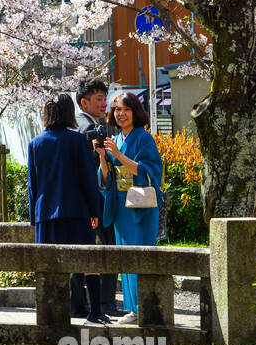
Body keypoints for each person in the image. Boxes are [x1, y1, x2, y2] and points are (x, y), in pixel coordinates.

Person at [28, 93, 109, 324]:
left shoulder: (35, 143)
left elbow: (32, 184)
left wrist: (34, 217)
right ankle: (95, 312)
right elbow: (87, 179)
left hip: (46, 213)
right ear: (69, 113)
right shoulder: (77, 140)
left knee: (49, 266)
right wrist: (95, 211)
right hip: (77, 210)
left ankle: (50, 314)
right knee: (87, 260)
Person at [96, 91, 164, 324]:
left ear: (136, 112)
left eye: (126, 109)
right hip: (121, 206)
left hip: (141, 205)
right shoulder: (114, 141)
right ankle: (133, 308)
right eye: (117, 109)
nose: (121, 114)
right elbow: (106, 180)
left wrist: (119, 156)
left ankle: (144, 307)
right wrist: (104, 159)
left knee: (140, 254)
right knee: (125, 256)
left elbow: (150, 171)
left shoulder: (144, 138)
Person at [72, 79, 126, 318]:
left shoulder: (82, 125)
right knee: (108, 246)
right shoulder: (87, 128)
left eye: (105, 98)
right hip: (96, 197)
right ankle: (105, 301)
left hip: (85, 198)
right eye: (98, 100)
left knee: (81, 247)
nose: (105, 104)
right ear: (84, 102)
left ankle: (80, 302)